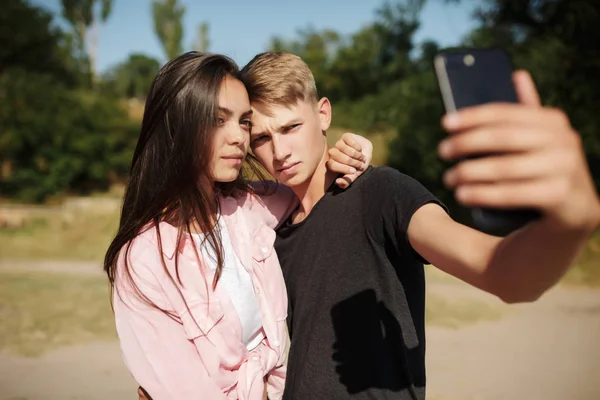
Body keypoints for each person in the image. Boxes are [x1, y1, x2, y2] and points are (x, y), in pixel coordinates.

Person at [238, 52, 600, 399]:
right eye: (262, 138)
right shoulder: (273, 230)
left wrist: (566, 225)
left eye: (291, 127)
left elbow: (502, 271)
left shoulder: (380, 193)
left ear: (324, 114)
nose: (280, 150)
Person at [104, 51, 372, 400]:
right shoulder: (144, 261)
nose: (239, 138)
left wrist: (356, 152)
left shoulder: (248, 207)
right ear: (175, 130)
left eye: (244, 122)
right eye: (218, 120)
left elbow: (314, 185)